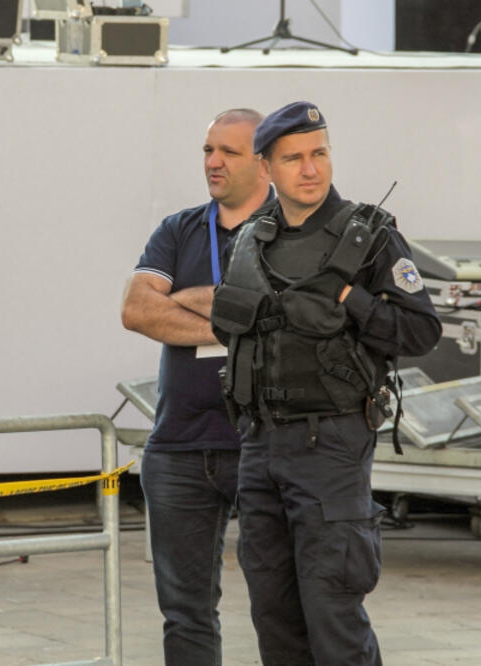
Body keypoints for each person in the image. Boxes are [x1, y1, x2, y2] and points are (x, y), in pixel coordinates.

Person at [210, 101, 441, 666]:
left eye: (319, 153)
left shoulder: (372, 237)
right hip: (260, 444)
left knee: (332, 611)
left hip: (331, 446)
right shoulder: (250, 239)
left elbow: (421, 330)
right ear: (267, 168)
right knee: (273, 614)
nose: (310, 169)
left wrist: (350, 298)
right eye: (294, 158)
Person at [121, 108, 273, 665]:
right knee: (185, 612)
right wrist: (238, 321)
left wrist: (184, 300)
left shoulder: (292, 230)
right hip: (180, 447)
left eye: (228, 152)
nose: (213, 162)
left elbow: (288, 316)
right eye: (208, 150)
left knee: (281, 601)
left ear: (263, 162)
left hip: (264, 444)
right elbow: (137, 310)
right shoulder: (179, 229)